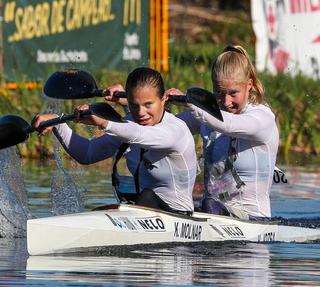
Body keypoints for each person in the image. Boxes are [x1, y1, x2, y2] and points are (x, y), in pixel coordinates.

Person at [34, 67, 197, 214]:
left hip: (178, 216)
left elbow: (139, 134)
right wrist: (58, 123)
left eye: (148, 104)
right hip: (142, 209)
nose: (140, 113)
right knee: (140, 199)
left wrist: (103, 121)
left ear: (163, 99)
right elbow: (87, 153)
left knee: (146, 197)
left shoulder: (175, 131)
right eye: (134, 105)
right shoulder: (130, 125)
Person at [167, 45, 279, 220]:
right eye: (219, 93)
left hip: (255, 220)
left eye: (233, 93)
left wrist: (192, 105)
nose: (226, 102)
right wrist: (139, 105)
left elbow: (230, 125)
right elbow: (166, 127)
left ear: (249, 85)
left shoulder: (262, 118)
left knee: (209, 204)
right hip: (213, 212)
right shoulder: (208, 114)